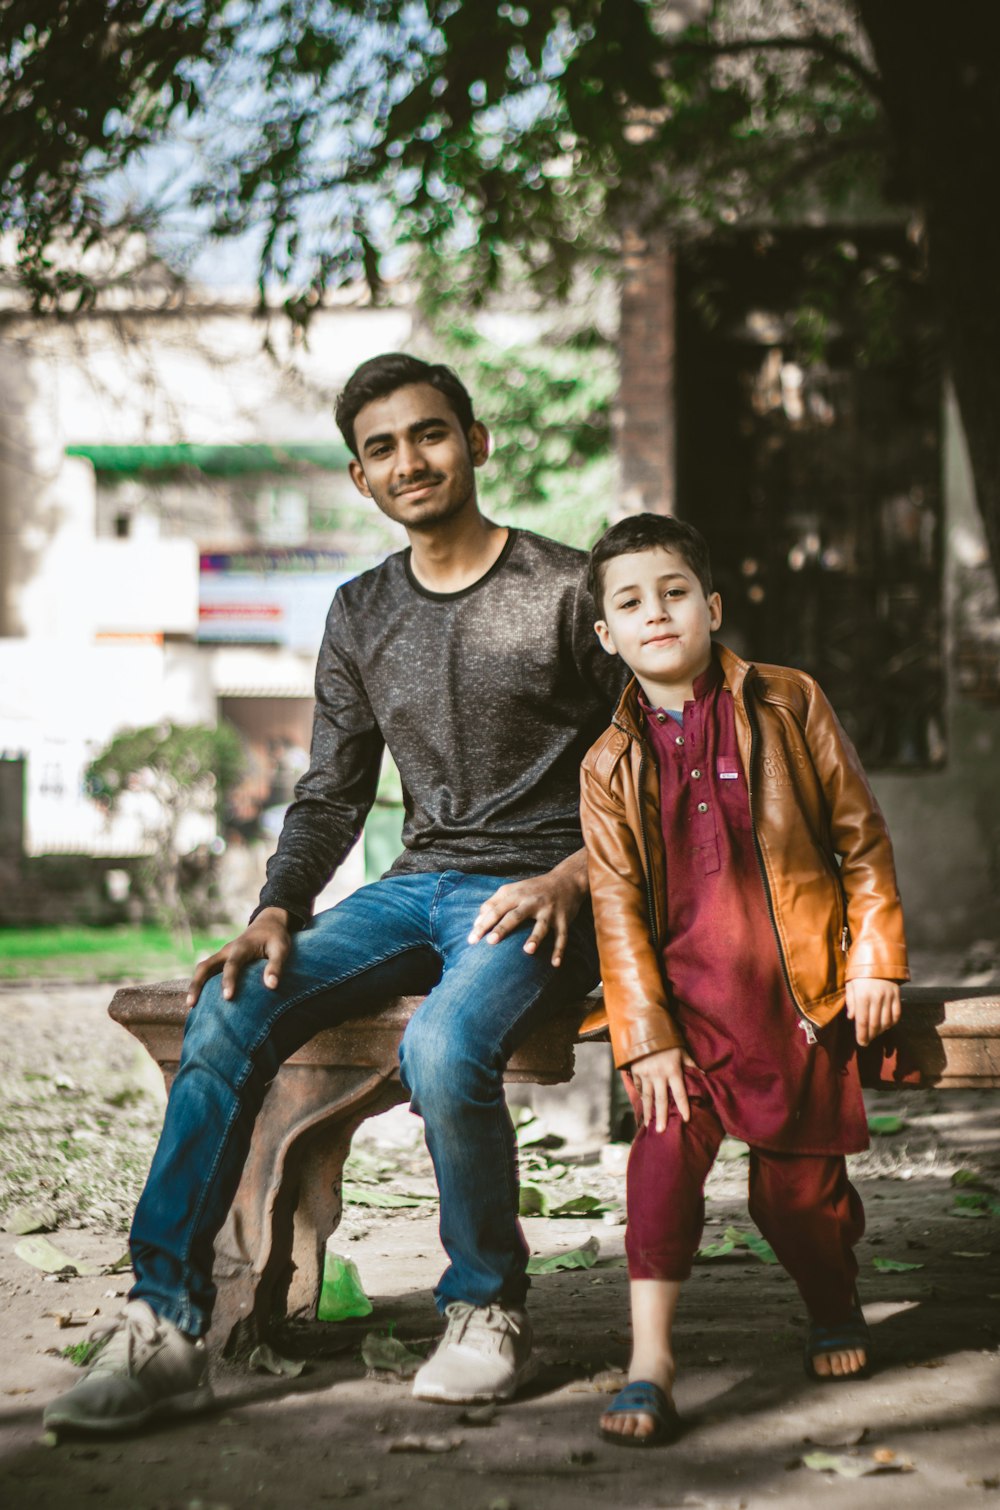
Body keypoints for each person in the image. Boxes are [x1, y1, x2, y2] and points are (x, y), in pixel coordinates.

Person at [44, 353, 623, 1434]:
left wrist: (580, 873)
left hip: (542, 890)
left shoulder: (569, 587)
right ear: (360, 478)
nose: (411, 459)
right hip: (411, 887)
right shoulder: (359, 612)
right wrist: (275, 908)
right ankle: (165, 1326)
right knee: (227, 1003)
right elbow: (330, 792)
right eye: (382, 447)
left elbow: (664, 752)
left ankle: (486, 1306)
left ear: (475, 441)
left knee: (445, 1047)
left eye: (430, 433)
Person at [577, 513, 908, 1447]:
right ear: (607, 636)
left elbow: (859, 837)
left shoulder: (786, 702)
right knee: (659, 1173)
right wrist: (643, 1034)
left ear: (712, 607)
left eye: (675, 593)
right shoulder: (608, 764)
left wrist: (875, 955)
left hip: (794, 1005)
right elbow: (617, 910)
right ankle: (652, 1361)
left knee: (795, 1201)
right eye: (631, 603)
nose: (657, 614)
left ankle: (833, 1302)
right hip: (683, 1019)